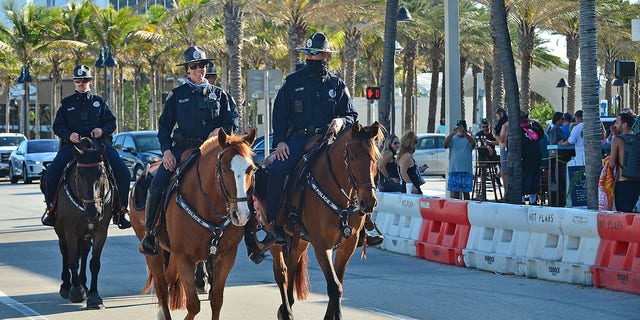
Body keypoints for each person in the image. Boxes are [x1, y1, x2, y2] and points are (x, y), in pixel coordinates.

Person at [248, 32, 379, 258]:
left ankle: (363, 224)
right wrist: (280, 142)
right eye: (308, 52)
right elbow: (279, 114)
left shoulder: (337, 85)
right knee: (277, 171)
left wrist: (341, 120)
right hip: (298, 140)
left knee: (360, 167)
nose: (311, 56)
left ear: (326, 55)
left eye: (316, 52)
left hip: (330, 139)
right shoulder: (293, 83)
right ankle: (275, 225)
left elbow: (351, 114)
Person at [139, 46, 239, 256]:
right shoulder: (177, 96)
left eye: (202, 65)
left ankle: (247, 232)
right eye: (194, 66)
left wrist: (221, 131)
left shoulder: (220, 95)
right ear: (187, 70)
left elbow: (232, 122)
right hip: (184, 149)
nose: (199, 69)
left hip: (213, 150)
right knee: (157, 184)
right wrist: (166, 152)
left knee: (242, 181)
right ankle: (151, 232)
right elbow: (165, 127)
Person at [41, 65, 131, 229]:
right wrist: (69, 135)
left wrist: (101, 130)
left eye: (84, 80)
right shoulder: (67, 104)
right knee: (52, 172)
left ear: (90, 81)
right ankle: (51, 209)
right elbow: (57, 126)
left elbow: (111, 123)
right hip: (73, 146)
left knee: (124, 172)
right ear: (74, 82)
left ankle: (121, 211)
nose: (81, 83)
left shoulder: (99, 102)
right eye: (77, 80)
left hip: (98, 144)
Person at [608, 112, 640, 213]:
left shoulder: (617, 140)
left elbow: (612, 164)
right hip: (636, 182)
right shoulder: (638, 138)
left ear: (624, 125)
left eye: (617, 122)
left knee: (623, 216)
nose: (614, 125)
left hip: (623, 184)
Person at [445, 120, 475, 200]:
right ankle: (455, 211)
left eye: (461, 127)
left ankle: (467, 210)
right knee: (455, 195)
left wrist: (465, 133)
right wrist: (452, 133)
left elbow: (473, 144)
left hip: (466, 171)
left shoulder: (468, 139)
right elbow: (445, 145)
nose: (459, 130)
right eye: (458, 127)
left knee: (466, 194)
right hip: (454, 170)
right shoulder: (453, 139)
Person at [520, 112, 542, 205]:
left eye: (526, 117)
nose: (526, 119)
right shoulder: (517, 131)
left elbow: (541, 135)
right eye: (523, 118)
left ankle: (533, 201)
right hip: (525, 160)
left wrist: (537, 126)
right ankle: (521, 200)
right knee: (525, 181)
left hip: (535, 160)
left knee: (534, 181)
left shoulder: (531, 129)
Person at [493, 107, 509, 190]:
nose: (497, 119)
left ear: (501, 114)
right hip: (506, 148)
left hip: (504, 149)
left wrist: (494, 135)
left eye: (497, 117)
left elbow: (502, 140)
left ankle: (506, 193)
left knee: (504, 172)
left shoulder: (504, 125)